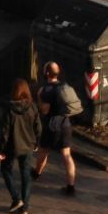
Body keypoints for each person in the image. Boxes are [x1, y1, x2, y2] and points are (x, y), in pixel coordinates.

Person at [33, 61, 81, 196]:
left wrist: (39, 97)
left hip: (51, 126)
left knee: (43, 151)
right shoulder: (64, 86)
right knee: (67, 155)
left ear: (46, 73)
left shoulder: (47, 90)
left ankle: (36, 173)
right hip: (65, 125)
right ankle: (71, 185)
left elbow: (44, 111)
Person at [0, 77, 42, 214]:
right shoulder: (32, 107)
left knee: (6, 169)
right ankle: (25, 206)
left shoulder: (9, 109)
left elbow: (4, 131)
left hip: (12, 146)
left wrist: (1, 149)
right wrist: (36, 142)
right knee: (25, 175)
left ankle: (16, 198)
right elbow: (38, 127)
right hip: (28, 145)